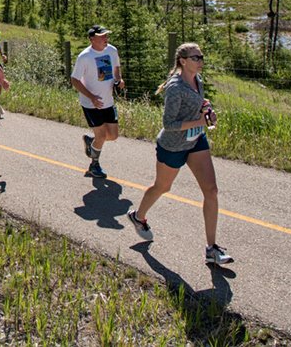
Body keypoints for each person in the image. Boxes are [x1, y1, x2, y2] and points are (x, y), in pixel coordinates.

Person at [127, 43, 233, 266]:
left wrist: (207, 110)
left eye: (201, 57)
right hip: (173, 145)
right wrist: (200, 121)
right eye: (196, 57)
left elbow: (198, 104)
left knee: (211, 190)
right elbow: (169, 123)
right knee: (162, 187)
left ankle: (212, 249)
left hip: (195, 141)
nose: (200, 61)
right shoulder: (175, 87)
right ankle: (138, 216)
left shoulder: (197, 80)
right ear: (183, 61)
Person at [71, 25, 125, 179]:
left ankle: (91, 142)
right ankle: (94, 165)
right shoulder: (85, 57)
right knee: (101, 136)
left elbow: (116, 69)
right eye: (102, 36)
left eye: (106, 36)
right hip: (91, 104)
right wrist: (92, 97)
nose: (105, 39)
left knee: (113, 135)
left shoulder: (112, 50)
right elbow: (74, 80)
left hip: (108, 101)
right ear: (92, 39)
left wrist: (119, 79)